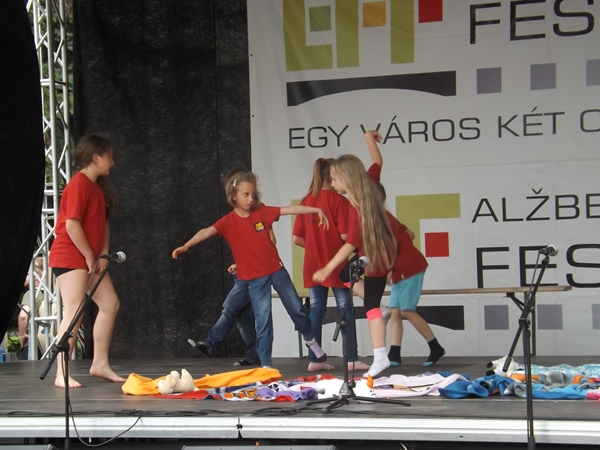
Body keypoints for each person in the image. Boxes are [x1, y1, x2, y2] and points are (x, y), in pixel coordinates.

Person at [173, 168, 329, 368]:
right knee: (263, 321)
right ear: (234, 196)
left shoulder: (261, 212)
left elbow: (289, 209)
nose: (250, 199)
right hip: (255, 279)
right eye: (245, 194)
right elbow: (206, 231)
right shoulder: (228, 221)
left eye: (253, 194)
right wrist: (186, 245)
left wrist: (316, 210)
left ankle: (310, 340)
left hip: (276, 271)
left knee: (297, 309)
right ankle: (266, 364)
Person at [49, 134, 125, 388]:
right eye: (109, 157)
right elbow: (72, 225)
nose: (112, 163)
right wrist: (89, 255)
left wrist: (102, 253)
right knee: (74, 310)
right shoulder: (78, 184)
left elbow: (103, 224)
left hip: (89, 257)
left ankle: (100, 363)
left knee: (110, 304)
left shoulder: (96, 187)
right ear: (96, 157)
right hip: (70, 256)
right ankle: (61, 372)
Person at [313, 154, 397, 378]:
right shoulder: (369, 182)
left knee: (370, 306)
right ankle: (382, 310)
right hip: (375, 252)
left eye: (334, 179)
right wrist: (369, 139)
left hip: (376, 256)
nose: (332, 184)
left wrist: (327, 268)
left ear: (346, 179)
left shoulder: (356, 208)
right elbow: (378, 162)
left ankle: (380, 356)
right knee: (345, 274)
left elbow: (350, 244)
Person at [293, 158, 369, 372]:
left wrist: (315, 245)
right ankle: (351, 357)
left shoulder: (306, 200)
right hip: (336, 264)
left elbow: (296, 238)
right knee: (345, 307)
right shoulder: (339, 201)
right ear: (332, 176)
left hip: (313, 264)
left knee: (317, 308)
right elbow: (346, 236)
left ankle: (315, 359)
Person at [387, 221, 445, 367]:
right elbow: (411, 235)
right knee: (395, 311)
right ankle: (394, 353)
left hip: (409, 268)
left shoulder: (379, 221)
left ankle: (435, 347)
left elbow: (393, 243)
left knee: (406, 311)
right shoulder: (388, 219)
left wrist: (388, 271)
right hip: (399, 270)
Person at [188, 262, 260, 367]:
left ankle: (210, 345)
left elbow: (254, 255)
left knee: (230, 310)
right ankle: (253, 356)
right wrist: (238, 265)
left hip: (249, 276)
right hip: (245, 274)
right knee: (244, 318)